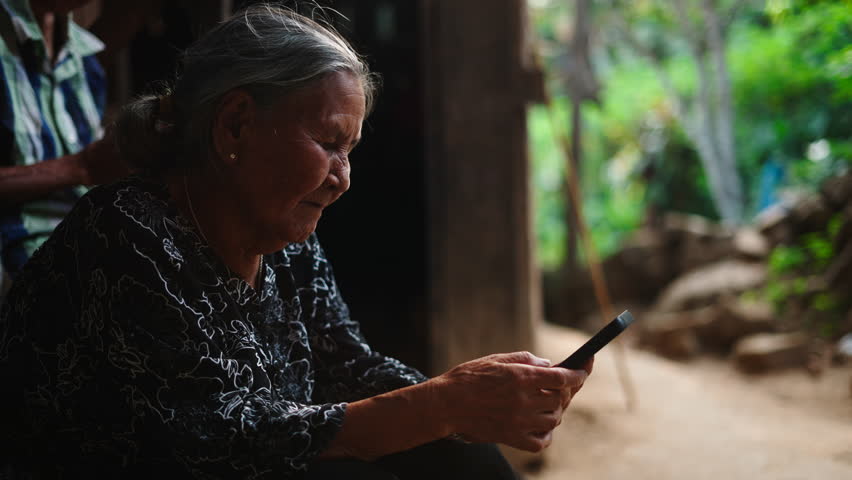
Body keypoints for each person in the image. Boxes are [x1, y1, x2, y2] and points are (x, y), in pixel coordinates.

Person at [0, 4, 592, 479]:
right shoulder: (126, 235)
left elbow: (349, 368)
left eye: (350, 152)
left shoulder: (285, 239)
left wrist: (474, 399)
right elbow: (220, 441)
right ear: (235, 125)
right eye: (329, 143)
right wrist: (442, 406)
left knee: (459, 457)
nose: (343, 178)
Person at [0, 0, 130, 292]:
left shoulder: (84, 61)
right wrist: (78, 167)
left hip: (85, 242)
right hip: (20, 260)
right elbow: (86, 168)